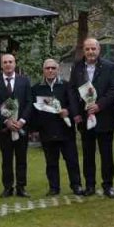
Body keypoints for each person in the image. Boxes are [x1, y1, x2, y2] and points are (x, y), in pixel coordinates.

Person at [70, 38, 114, 197]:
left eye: (93, 49)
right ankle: (90, 185)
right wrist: (76, 113)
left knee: (106, 154)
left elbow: (113, 89)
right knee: (88, 153)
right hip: (84, 118)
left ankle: (108, 185)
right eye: (87, 49)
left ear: (99, 50)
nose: (91, 52)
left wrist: (99, 105)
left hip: (104, 117)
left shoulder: (109, 67)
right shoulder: (76, 67)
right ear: (83, 50)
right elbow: (72, 90)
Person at [29, 59, 80, 196]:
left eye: (53, 68)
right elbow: (33, 110)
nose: (50, 70)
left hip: (65, 129)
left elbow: (74, 103)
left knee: (71, 160)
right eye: (47, 68)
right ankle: (54, 187)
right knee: (51, 162)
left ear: (57, 69)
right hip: (47, 130)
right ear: (43, 70)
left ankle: (76, 185)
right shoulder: (36, 88)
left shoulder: (66, 85)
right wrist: (34, 129)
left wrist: (68, 111)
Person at [0, 54, 33, 197]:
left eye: (10, 62)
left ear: (15, 64)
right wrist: (6, 121)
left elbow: (29, 102)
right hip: (4, 128)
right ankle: (8, 187)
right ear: (1, 65)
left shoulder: (24, 81)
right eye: (5, 62)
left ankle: (21, 187)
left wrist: (22, 121)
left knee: (22, 158)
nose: (8, 64)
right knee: (6, 159)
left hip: (21, 127)